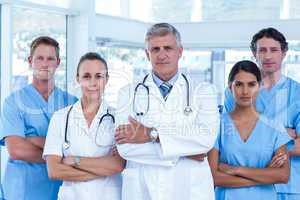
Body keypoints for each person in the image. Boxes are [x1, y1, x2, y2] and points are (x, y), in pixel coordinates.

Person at [115, 22, 219, 200]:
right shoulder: (127, 93)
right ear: (147, 54)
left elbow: (205, 141)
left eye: (168, 48)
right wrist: (185, 152)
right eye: (155, 49)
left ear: (180, 51)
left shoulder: (203, 92)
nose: (161, 55)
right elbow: (125, 148)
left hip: (189, 189)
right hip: (143, 188)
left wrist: (151, 135)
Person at [224, 28, 300, 199]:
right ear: (254, 53)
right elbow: (228, 141)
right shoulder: (232, 92)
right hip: (243, 187)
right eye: (262, 50)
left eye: (274, 50)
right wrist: (282, 136)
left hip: (289, 187)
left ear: (284, 53)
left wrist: (255, 141)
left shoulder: (297, 93)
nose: (268, 56)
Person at [0, 36, 77, 200]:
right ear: (30, 60)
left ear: (58, 63)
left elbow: (79, 146)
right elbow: (16, 150)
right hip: (22, 190)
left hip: (61, 190)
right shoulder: (13, 102)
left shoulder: (72, 103)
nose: (45, 64)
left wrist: (31, 139)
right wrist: (59, 155)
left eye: (50, 58)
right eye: (39, 58)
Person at [43, 52, 124, 200]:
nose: (93, 83)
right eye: (86, 76)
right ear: (78, 79)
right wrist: (103, 169)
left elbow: (118, 165)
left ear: (106, 80)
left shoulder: (119, 118)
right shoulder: (60, 118)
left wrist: (75, 160)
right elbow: (54, 170)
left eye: (98, 76)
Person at [209, 60, 292, 200]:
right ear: (230, 87)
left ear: (260, 87)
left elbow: (283, 175)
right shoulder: (217, 124)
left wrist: (236, 170)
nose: (245, 91)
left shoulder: (274, 127)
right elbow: (213, 177)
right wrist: (264, 175)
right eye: (239, 84)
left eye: (251, 84)